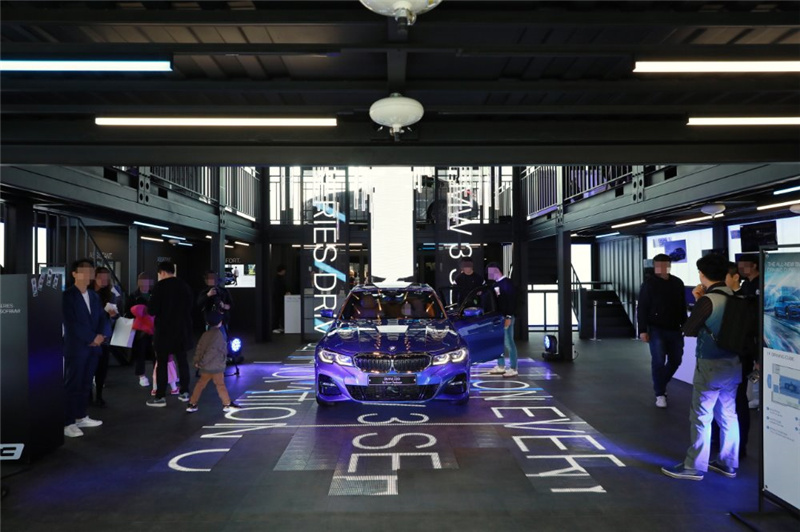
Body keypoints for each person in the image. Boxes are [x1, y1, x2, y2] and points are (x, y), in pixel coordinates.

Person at [662, 253, 741, 481]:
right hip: (733, 363)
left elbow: (689, 329)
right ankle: (728, 463)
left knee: (701, 416)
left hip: (710, 365)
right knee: (728, 415)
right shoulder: (736, 297)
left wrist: (698, 299)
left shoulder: (708, 300)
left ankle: (694, 466)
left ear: (702, 274)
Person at [62, 258, 109, 438]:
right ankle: (68, 422)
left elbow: (102, 318)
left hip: (93, 348)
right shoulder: (67, 296)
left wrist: (102, 335)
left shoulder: (94, 296)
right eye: (84, 270)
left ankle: (80, 416)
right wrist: (91, 337)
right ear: (74, 274)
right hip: (77, 348)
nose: (88, 274)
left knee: (86, 384)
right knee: (73, 384)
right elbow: (71, 323)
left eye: (90, 270)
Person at [637, 253, 687, 408]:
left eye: (664, 265)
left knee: (676, 359)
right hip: (656, 328)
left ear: (669, 266)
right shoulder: (649, 284)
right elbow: (642, 307)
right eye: (658, 265)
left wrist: (685, 324)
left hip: (675, 328)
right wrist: (643, 330)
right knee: (658, 360)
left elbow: (682, 305)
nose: (661, 268)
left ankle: (661, 383)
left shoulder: (677, 282)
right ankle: (660, 393)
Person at [146, 261, 194, 407]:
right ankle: (185, 392)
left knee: (162, 363)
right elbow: (190, 307)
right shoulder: (184, 286)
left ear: (162, 272)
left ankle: (160, 396)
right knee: (183, 361)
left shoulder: (159, 287)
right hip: (182, 331)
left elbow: (152, 310)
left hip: (164, 332)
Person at [185, 310, 240, 414]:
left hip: (206, 367)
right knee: (220, 385)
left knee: (200, 384)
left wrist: (197, 361)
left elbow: (200, 348)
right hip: (216, 366)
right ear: (220, 322)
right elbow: (212, 352)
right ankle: (227, 404)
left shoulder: (205, 334)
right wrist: (203, 362)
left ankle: (192, 403)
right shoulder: (218, 335)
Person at [89, 266, 119, 407]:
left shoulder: (110, 295)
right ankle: (89, 395)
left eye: (106, 278)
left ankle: (99, 395)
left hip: (104, 336)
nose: (103, 280)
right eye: (101, 277)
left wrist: (113, 315)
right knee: (88, 368)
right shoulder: (87, 293)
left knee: (102, 368)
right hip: (90, 336)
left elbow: (114, 316)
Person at [486, 262, 518, 378]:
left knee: (509, 342)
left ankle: (513, 368)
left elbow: (512, 301)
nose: (488, 275)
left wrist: (508, 316)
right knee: (499, 342)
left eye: (490, 272)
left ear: (496, 270)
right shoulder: (495, 284)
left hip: (506, 317)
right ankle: (501, 366)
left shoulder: (507, 283)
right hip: (499, 317)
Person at [127, 272, 156, 387]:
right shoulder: (133, 296)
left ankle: (157, 374)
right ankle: (141, 376)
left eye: (146, 282)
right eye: (142, 282)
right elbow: (128, 312)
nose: (144, 284)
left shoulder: (153, 295)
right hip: (140, 331)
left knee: (155, 353)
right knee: (140, 353)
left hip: (153, 329)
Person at [272, 264, 289, 333]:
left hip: (279, 298)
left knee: (280, 313)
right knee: (277, 313)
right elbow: (279, 289)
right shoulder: (278, 279)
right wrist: (285, 292)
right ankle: (275, 327)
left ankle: (279, 326)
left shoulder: (279, 279)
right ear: (282, 271)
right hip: (278, 299)